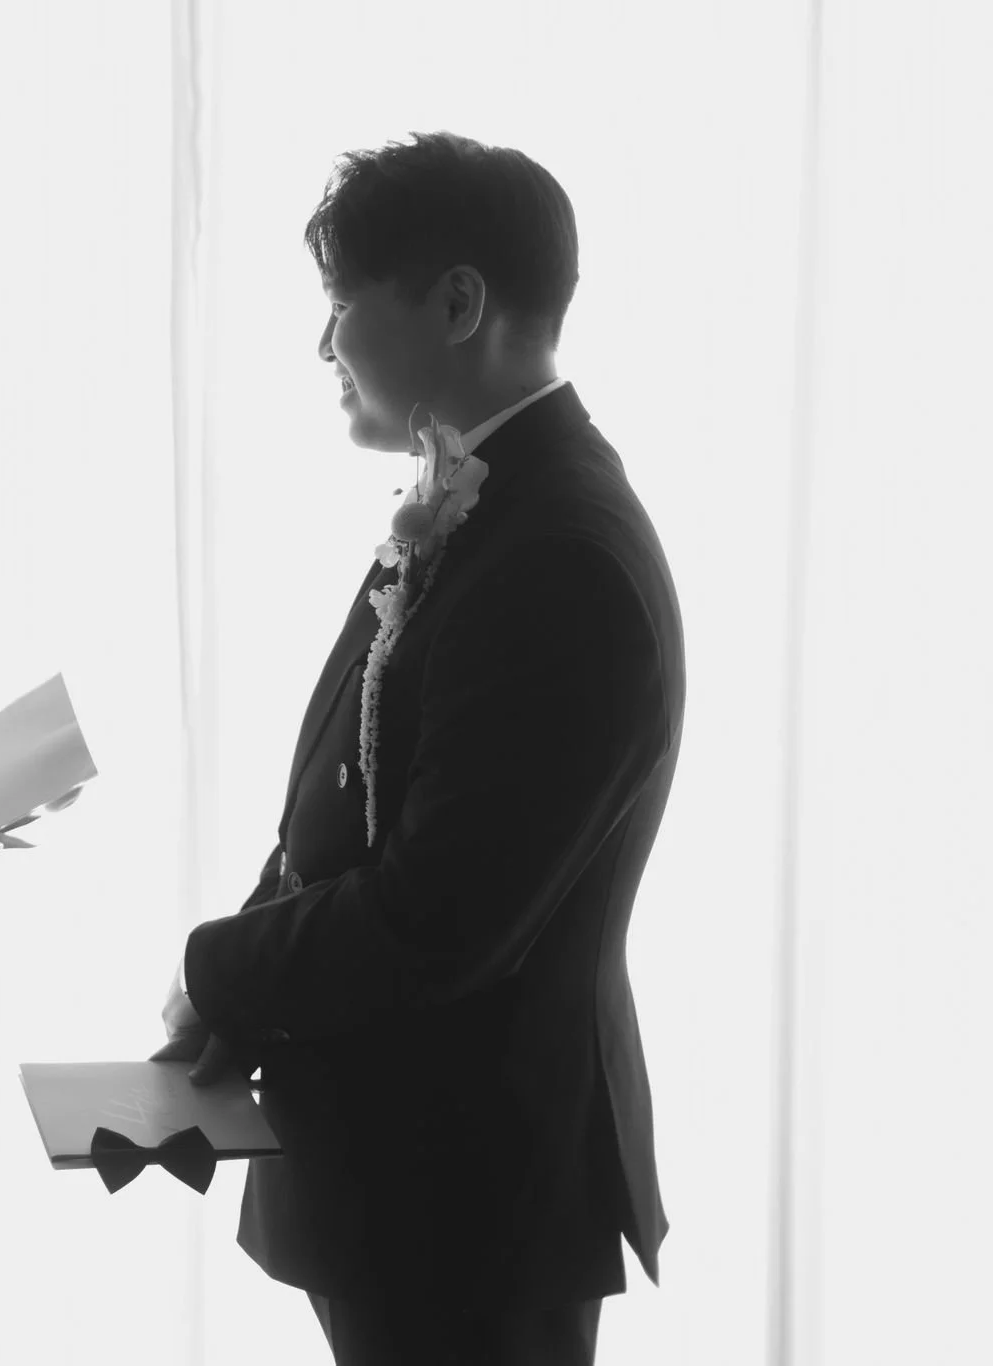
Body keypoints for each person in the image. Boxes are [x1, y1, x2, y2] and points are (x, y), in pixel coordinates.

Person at [159, 133, 685, 1365]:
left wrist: (214, 967)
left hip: (469, 1190)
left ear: (457, 302)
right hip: (404, 1180)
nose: (321, 346)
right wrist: (234, 988)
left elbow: (439, 914)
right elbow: (339, 804)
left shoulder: (558, 552)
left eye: (340, 306)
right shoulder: (479, 496)